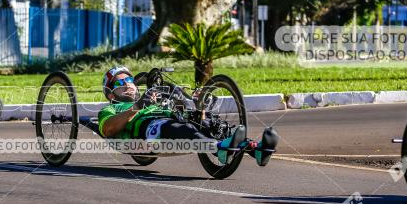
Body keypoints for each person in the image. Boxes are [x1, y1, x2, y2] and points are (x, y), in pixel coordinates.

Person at [97, 66, 278, 166]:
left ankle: (257, 150)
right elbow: (108, 129)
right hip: (146, 129)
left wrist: (197, 104)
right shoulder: (112, 109)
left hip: (172, 118)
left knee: (209, 123)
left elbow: (183, 108)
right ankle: (218, 149)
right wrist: (137, 107)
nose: (128, 84)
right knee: (180, 127)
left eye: (130, 80)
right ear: (111, 94)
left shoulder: (151, 96)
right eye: (121, 82)